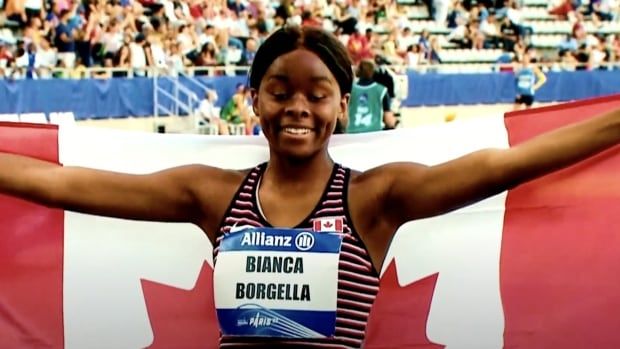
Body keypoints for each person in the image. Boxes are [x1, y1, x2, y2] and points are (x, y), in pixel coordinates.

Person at [1, 25, 620, 347]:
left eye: (317, 94)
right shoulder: (211, 196)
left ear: (343, 106)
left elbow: (508, 164)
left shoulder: (378, 200)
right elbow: (61, 183)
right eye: (280, 90)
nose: (298, 106)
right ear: (255, 102)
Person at [346, 59, 397, 133]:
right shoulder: (382, 90)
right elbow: (389, 120)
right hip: (374, 133)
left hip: (351, 132)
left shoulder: (350, 89)